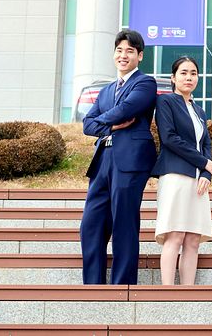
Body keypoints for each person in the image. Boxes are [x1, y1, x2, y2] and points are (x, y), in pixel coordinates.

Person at [79, 28, 159, 284]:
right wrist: (111, 126)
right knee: (90, 225)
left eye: (130, 51)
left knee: (124, 222)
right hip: (102, 161)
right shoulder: (105, 90)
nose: (123, 55)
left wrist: (105, 121)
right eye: (119, 50)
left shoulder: (145, 83)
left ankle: (122, 286)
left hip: (130, 161)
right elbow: (86, 124)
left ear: (140, 56)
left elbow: (127, 109)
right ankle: (93, 286)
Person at [151, 56, 212, 286]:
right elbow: (169, 138)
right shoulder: (166, 102)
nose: (189, 77)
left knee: (193, 239)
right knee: (175, 234)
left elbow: (207, 143)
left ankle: (188, 292)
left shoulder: (199, 110)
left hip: (198, 179)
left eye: (193, 73)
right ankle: (168, 291)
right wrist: (203, 163)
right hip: (175, 175)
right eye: (184, 73)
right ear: (173, 78)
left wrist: (206, 173)